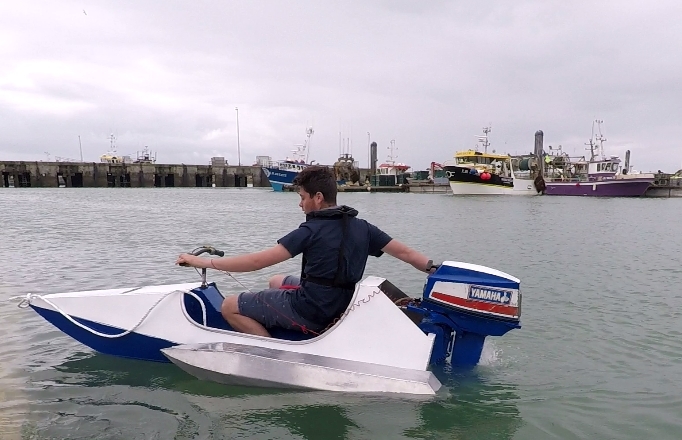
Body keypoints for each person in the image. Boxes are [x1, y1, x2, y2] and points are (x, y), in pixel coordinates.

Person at [176, 165, 437, 338]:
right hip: (341, 301)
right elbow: (406, 254)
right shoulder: (363, 227)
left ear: (318, 197)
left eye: (302, 197)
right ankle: (278, 324)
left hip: (313, 310)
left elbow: (256, 262)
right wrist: (435, 269)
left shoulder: (310, 231)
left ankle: (273, 354)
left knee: (230, 305)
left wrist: (201, 261)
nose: (300, 204)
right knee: (275, 280)